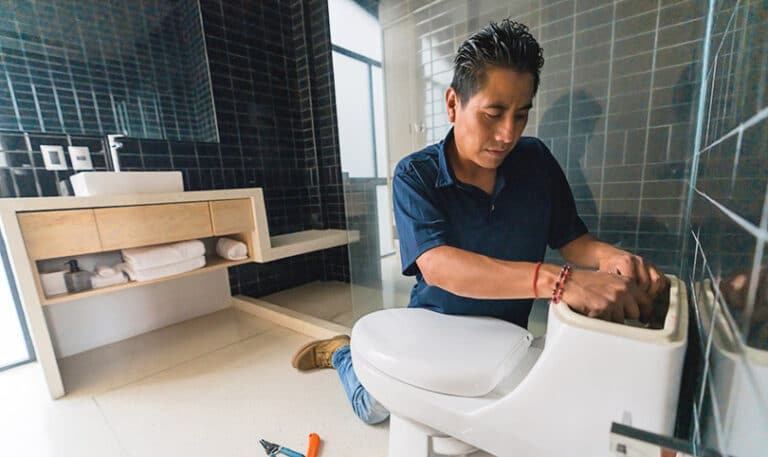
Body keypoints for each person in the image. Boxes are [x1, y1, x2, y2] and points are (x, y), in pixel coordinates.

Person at [290, 18, 668, 425]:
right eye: (493, 114)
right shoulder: (415, 175)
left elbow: (572, 239)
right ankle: (345, 353)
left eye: (521, 115)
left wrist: (611, 257)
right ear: (453, 104)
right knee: (374, 410)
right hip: (433, 328)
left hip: (505, 338)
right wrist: (561, 281)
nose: (508, 134)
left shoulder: (536, 161)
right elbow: (438, 267)